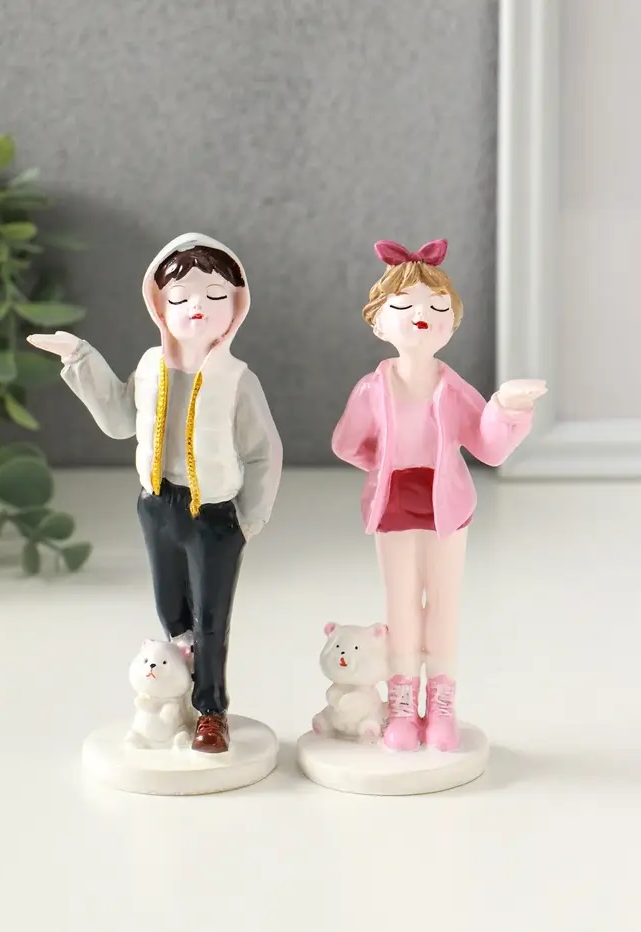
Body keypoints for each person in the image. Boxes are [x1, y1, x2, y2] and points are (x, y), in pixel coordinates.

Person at [28, 233, 282, 753]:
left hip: (214, 514)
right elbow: (121, 420)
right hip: (157, 504)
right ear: (159, 306)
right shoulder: (150, 367)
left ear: (235, 307)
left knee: (211, 620)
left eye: (214, 295)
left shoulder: (237, 379)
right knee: (172, 613)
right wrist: (79, 357)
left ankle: (211, 710)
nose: (196, 307)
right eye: (180, 297)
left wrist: (249, 518)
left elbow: (264, 452)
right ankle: (175, 696)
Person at [331, 238, 546, 751]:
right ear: (378, 323)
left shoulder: (452, 387)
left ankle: (442, 704)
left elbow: (488, 446)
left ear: (452, 323)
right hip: (393, 503)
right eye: (404, 305)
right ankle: (403, 704)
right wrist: (383, 465)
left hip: (445, 504)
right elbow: (347, 443)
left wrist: (506, 408)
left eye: (436, 306)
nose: (421, 315)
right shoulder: (371, 389)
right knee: (402, 604)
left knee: (444, 603)